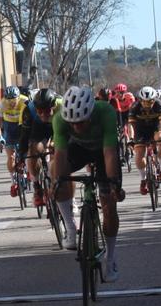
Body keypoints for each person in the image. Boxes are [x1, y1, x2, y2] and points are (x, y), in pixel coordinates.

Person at [51, 86, 124, 281]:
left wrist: (114, 184)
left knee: (109, 205)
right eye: (72, 123)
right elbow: (60, 154)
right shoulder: (59, 119)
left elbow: (109, 153)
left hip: (103, 151)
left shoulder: (105, 112)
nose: (76, 127)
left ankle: (111, 258)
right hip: (79, 150)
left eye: (81, 122)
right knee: (54, 171)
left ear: (90, 114)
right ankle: (70, 227)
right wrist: (58, 182)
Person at [18, 88, 60, 207]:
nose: (43, 114)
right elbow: (24, 135)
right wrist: (21, 156)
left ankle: (65, 195)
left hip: (57, 128)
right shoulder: (29, 110)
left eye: (46, 111)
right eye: (39, 111)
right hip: (38, 130)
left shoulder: (62, 108)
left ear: (54, 106)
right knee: (33, 149)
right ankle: (37, 187)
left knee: (57, 153)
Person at [129, 86, 161, 195]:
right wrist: (131, 139)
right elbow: (131, 124)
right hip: (140, 129)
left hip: (155, 128)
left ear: (154, 100)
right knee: (139, 154)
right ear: (140, 100)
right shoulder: (134, 106)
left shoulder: (159, 105)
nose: (147, 105)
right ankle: (143, 179)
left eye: (150, 102)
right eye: (144, 102)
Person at [0, 86, 28, 197]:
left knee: (27, 153)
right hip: (9, 129)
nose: (11, 103)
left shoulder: (25, 100)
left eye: (14, 101)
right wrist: (0, 137)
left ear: (19, 98)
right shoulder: (2, 104)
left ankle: (28, 169)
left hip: (22, 126)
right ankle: (13, 181)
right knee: (11, 157)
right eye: (9, 101)